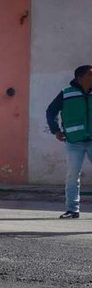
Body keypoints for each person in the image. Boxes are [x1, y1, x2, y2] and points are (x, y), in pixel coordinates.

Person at [46, 63, 92, 219]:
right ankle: (72, 210)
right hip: (74, 141)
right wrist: (56, 130)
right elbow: (51, 111)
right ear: (80, 78)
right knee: (73, 176)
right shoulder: (66, 93)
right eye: (90, 74)